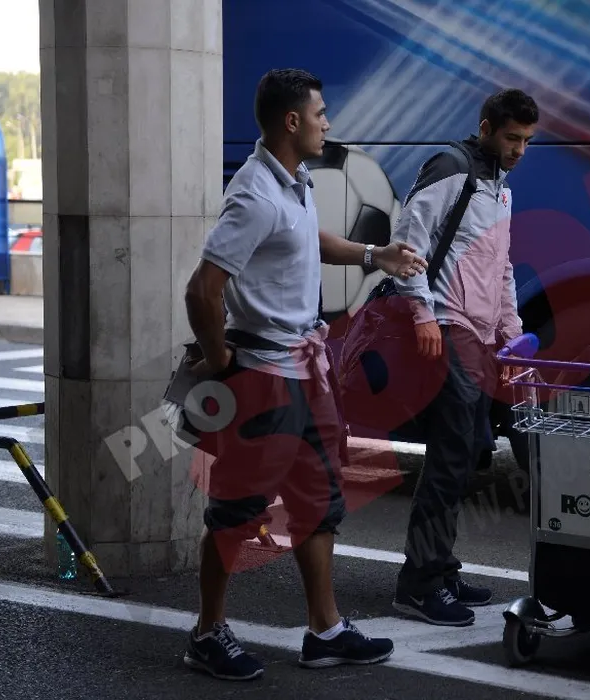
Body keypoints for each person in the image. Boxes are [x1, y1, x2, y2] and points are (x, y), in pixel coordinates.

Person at [181, 68, 426, 680]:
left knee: (318, 501)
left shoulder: (292, 181)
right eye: (320, 114)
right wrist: (221, 363)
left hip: (306, 370)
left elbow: (305, 238)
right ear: (292, 122)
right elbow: (202, 290)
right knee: (236, 510)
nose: (327, 123)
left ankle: (325, 631)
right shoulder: (254, 194)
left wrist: (374, 255)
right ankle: (207, 634)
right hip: (264, 376)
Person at [389, 88, 539, 626]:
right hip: (448, 326)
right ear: (486, 128)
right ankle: (419, 584)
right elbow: (407, 244)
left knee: (468, 453)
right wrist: (422, 314)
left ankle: (441, 568)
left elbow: (502, 270)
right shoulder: (452, 169)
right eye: (512, 138)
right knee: (451, 455)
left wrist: (513, 338)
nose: (519, 150)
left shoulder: (500, 189)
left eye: (527, 141)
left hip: (480, 336)